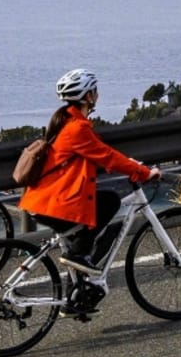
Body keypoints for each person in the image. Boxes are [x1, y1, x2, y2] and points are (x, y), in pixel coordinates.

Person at [18, 68, 159, 309]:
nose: (97, 94)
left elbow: (98, 155)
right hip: (53, 203)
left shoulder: (67, 122)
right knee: (111, 202)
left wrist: (128, 164)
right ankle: (78, 255)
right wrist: (144, 172)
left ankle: (77, 298)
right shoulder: (77, 128)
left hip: (44, 200)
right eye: (95, 90)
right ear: (89, 96)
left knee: (90, 219)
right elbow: (108, 156)